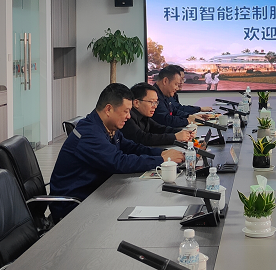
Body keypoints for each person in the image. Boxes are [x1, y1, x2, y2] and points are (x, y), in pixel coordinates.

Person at [49, 83, 185, 221]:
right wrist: (161, 160)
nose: (129, 116)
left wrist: (162, 153)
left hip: (98, 193)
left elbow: (132, 147)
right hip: (74, 206)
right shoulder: (89, 133)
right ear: (108, 109)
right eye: (126, 111)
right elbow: (118, 162)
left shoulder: (108, 127)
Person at [121, 82, 195, 146]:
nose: (155, 106)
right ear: (136, 103)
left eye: (156, 102)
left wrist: (183, 132)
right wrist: (175, 137)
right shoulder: (127, 118)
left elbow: (159, 128)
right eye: (152, 102)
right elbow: (143, 138)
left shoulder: (144, 116)